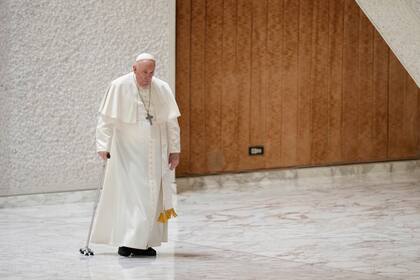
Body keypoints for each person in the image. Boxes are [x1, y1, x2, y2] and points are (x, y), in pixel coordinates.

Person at [91, 53, 181, 257]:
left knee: (151, 197)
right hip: (126, 152)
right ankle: (129, 242)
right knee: (132, 197)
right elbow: (105, 120)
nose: (148, 77)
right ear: (134, 69)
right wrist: (103, 145)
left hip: (155, 152)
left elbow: (171, 123)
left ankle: (144, 242)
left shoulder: (162, 88)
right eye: (144, 72)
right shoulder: (118, 86)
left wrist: (175, 150)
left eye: (151, 72)